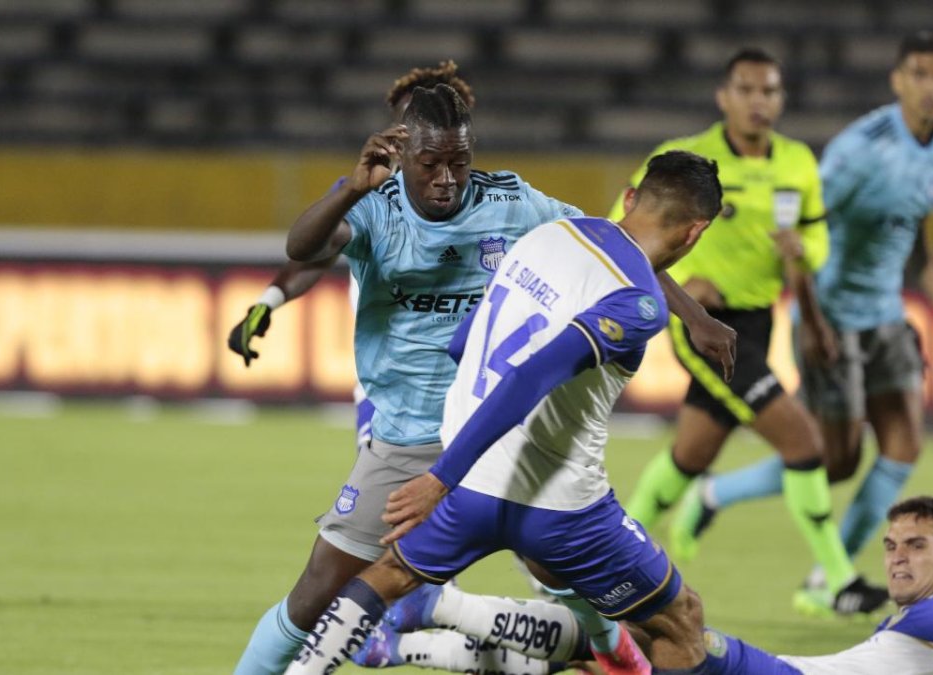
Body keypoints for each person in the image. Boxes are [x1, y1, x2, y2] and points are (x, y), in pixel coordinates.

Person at [234, 84, 735, 675]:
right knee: (320, 592)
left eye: (459, 162)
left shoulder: (513, 204)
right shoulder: (375, 204)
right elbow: (303, 247)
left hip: (501, 436)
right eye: (431, 165)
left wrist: (693, 313)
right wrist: (347, 191)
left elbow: (616, 250)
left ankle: (609, 652)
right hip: (414, 435)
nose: (447, 177)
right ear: (402, 156)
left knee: (565, 582)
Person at [687, 32, 933, 617]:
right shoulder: (859, 149)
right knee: (835, 460)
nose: (929, 86)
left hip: (887, 315)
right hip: (832, 315)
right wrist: (809, 314)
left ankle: (827, 577)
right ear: (897, 81)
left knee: (904, 442)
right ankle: (715, 490)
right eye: (917, 74)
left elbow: (912, 228)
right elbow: (807, 226)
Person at [612, 48, 886, 616]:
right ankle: (836, 580)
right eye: (747, 90)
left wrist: (801, 253)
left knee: (692, 451)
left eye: (770, 91)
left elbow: (818, 241)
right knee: (804, 442)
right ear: (724, 97)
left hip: (759, 321)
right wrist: (688, 281)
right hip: (705, 323)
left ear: (781, 99)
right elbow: (624, 228)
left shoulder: (797, 163)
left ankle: (615, 543)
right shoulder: (688, 161)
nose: (759, 102)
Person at [225, 60, 477, 452]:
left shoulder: (494, 203)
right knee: (394, 509)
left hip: (470, 386)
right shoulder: (364, 197)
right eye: (408, 120)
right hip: (389, 390)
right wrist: (267, 302)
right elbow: (316, 253)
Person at [695, 496, 933, 674]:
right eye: (891, 546)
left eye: (917, 545)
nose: (898, 557)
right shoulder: (908, 623)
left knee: (675, 621)